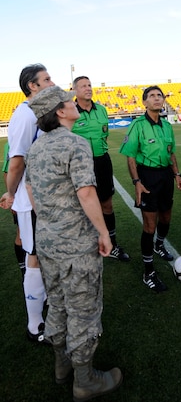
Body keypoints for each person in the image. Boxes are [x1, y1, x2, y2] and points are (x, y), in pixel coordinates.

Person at [25, 85, 123, 400]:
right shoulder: (76, 143)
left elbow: (31, 193)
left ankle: (61, 365)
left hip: (48, 240)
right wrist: (104, 233)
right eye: (68, 101)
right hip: (76, 244)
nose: (74, 103)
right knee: (83, 308)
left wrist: (52, 223)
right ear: (60, 111)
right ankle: (85, 380)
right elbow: (85, 192)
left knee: (57, 302)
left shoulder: (36, 147)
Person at [0, 63, 54, 343]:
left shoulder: (40, 112)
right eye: (46, 79)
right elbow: (16, 159)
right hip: (31, 201)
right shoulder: (24, 113)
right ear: (32, 86)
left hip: (46, 199)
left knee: (44, 256)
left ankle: (44, 306)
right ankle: (35, 326)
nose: (51, 81)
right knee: (34, 257)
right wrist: (11, 193)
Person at [119, 85, 181, 292]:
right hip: (146, 176)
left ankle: (159, 245)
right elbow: (130, 157)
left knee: (166, 217)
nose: (157, 98)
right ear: (144, 102)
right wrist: (137, 182)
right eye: (152, 96)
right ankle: (148, 272)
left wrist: (177, 174)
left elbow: (171, 153)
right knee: (149, 225)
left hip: (165, 175)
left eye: (159, 95)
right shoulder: (137, 125)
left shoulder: (166, 126)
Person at [71, 76, 130, 262]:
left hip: (103, 162)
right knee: (80, 207)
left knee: (107, 204)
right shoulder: (69, 112)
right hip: (80, 165)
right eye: (83, 86)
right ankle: (84, 247)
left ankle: (112, 243)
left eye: (89, 85)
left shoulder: (102, 110)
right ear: (75, 90)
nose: (88, 88)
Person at [2, 141, 26, 279]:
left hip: (41, 198)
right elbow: (7, 172)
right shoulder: (12, 143)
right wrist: (13, 198)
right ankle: (23, 266)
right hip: (22, 198)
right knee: (21, 233)